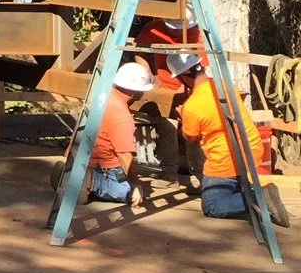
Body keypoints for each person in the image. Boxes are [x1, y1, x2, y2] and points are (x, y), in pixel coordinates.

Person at [170, 50, 290, 226]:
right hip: (253, 150)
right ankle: (253, 192)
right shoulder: (226, 86)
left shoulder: (192, 106)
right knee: (236, 184)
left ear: (183, 76)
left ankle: (260, 197)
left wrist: (183, 117)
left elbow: (190, 137)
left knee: (213, 205)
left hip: (226, 160)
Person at [132, 14, 203, 178]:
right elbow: (139, 49)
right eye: (173, 29)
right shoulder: (153, 28)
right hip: (165, 88)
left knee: (194, 133)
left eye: (180, 30)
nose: (176, 33)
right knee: (167, 128)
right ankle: (169, 175)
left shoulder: (198, 36)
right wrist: (147, 72)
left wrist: (192, 98)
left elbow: (202, 73)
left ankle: (199, 178)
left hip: (192, 91)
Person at [87, 61, 155, 207]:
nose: (143, 94)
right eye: (142, 90)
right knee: (130, 193)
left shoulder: (102, 97)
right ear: (132, 91)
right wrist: (136, 184)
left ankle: (73, 175)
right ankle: (92, 182)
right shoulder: (121, 116)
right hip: (103, 166)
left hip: (81, 158)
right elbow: (125, 155)